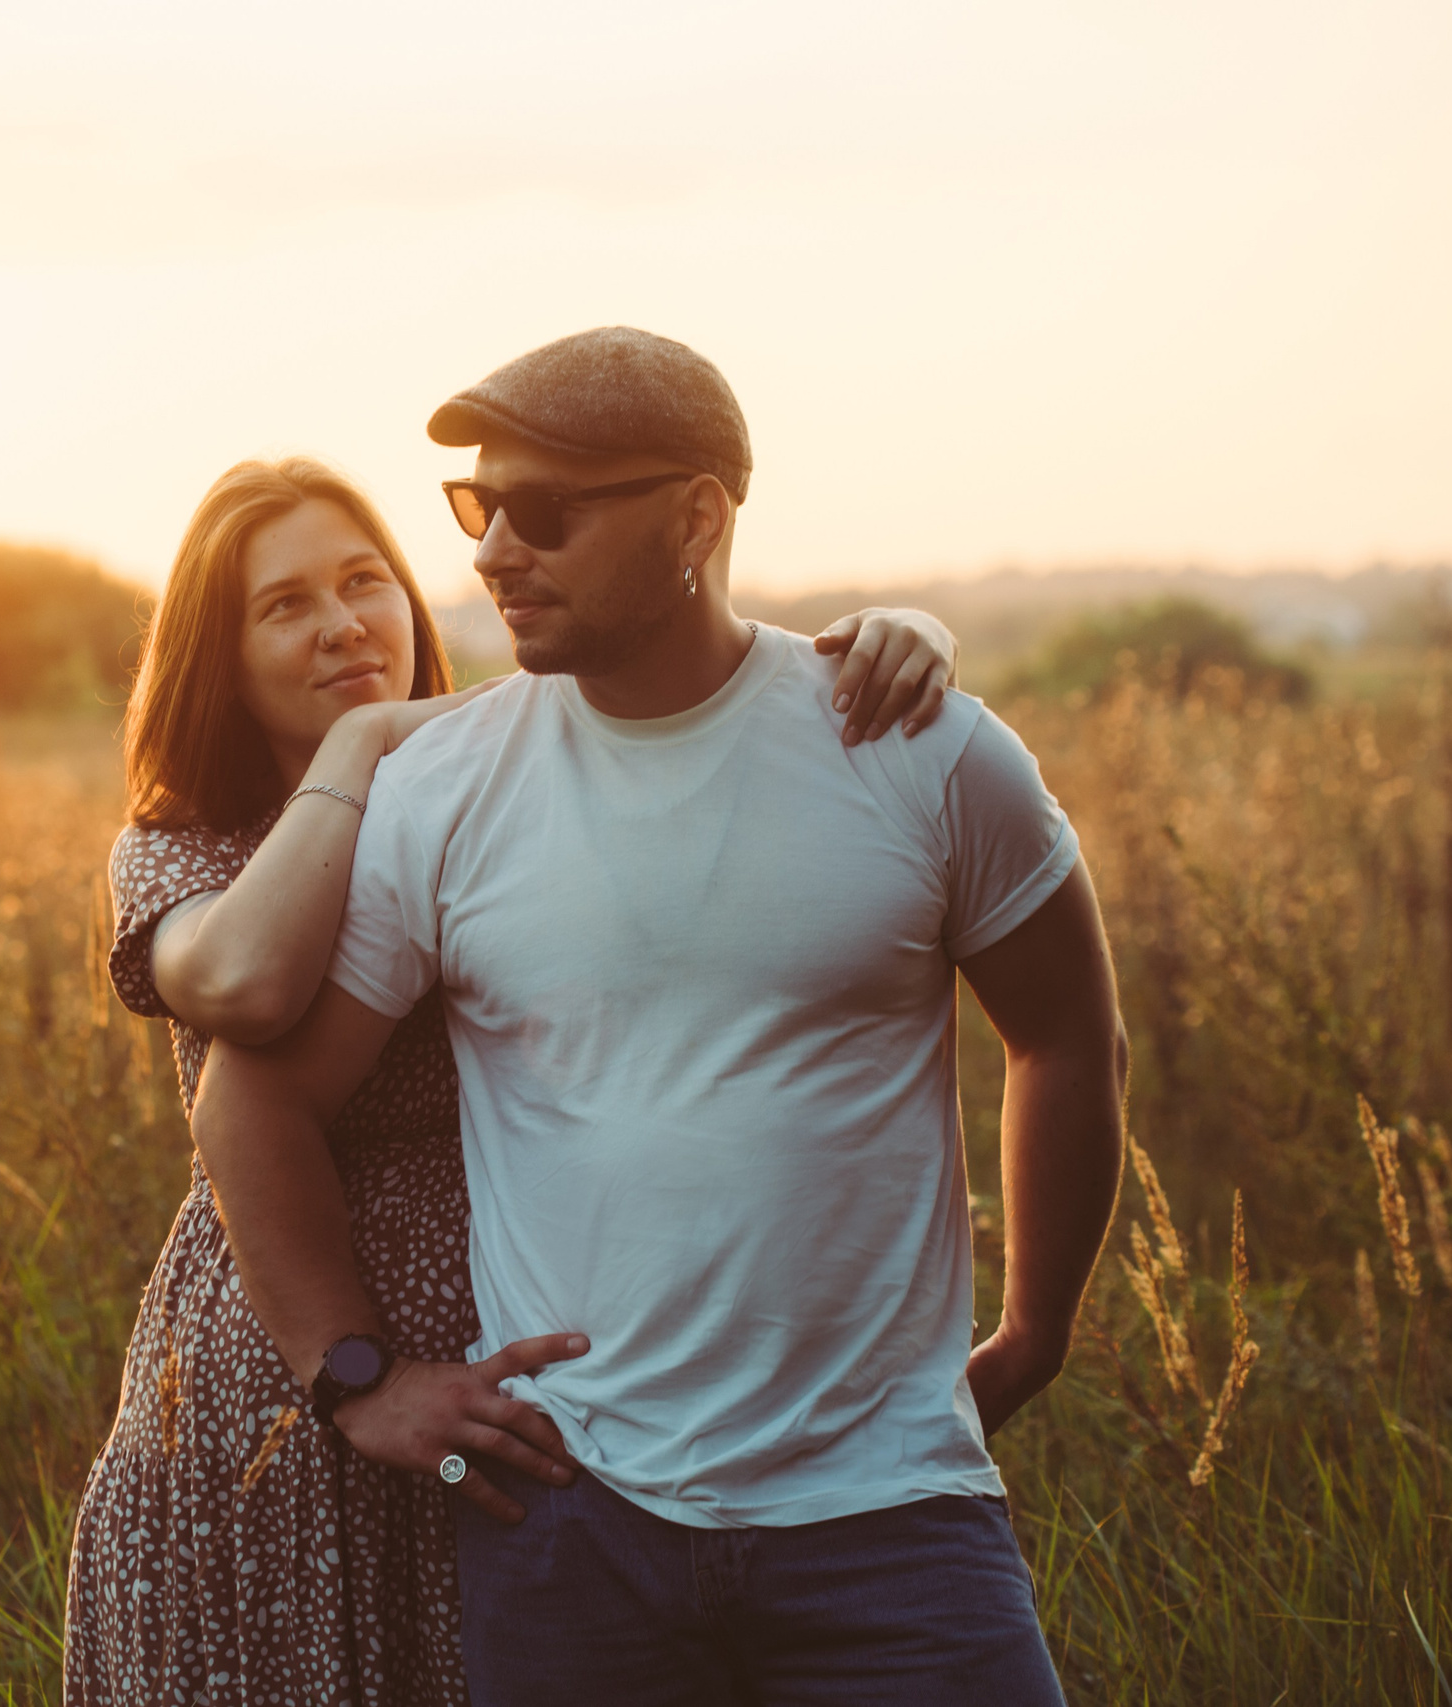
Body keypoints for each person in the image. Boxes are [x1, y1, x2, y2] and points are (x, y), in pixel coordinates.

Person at [188, 327, 1128, 1705]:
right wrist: (360, 1378)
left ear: (696, 516)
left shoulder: (919, 747)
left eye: (547, 510)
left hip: (890, 1517)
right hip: (573, 1522)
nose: (495, 549)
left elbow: (1066, 1032)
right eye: (478, 506)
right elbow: (251, 1095)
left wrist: (1039, 1330)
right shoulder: (444, 788)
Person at [61, 449, 965, 1705]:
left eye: (363, 582)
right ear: (218, 655)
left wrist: (883, 638)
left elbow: (679, 691)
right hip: (290, 1371)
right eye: (283, 606)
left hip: (526, 1381)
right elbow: (252, 988)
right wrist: (370, 739)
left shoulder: (496, 774)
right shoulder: (179, 851)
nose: (341, 627)